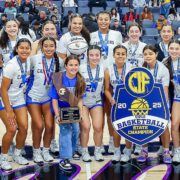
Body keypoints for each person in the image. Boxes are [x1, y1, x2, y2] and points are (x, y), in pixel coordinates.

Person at [90, 11, 123, 154]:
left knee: (110, 111)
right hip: (96, 76)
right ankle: (99, 143)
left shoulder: (117, 35)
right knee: (99, 110)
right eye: (101, 19)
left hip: (111, 75)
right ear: (97, 20)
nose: (103, 21)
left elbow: (120, 53)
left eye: (106, 19)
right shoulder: (91, 36)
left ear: (110, 20)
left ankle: (111, 139)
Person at [26, 37, 61, 163]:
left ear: (55, 47)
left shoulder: (59, 61)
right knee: (39, 125)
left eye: (51, 46)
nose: (48, 48)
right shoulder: (34, 59)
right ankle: (36, 151)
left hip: (48, 98)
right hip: (33, 97)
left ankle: (45, 151)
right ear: (41, 47)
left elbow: (59, 82)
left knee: (50, 126)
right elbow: (26, 76)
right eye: (46, 46)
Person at [49, 55, 86, 171]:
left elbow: (80, 99)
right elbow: (54, 99)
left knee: (76, 130)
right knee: (65, 131)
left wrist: (80, 112)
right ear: (65, 66)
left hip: (73, 110)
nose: (73, 67)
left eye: (76, 65)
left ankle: (72, 150)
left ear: (78, 66)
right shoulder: (59, 78)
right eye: (70, 65)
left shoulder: (80, 79)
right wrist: (57, 114)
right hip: (61, 110)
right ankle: (64, 158)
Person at [137, 45, 172, 164]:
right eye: (145, 54)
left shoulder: (163, 69)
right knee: (144, 126)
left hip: (160, 101)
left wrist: (162, 105)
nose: (148, 56)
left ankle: (166, 151)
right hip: (144, 102)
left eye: (150, 53)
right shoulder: (140, 69)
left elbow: (165, 91)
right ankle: (144, 150)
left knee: (163, 126)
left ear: (156, 54)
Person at [0, 38, 31, 170]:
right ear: (17, 49)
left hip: (19, 98)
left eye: (27, 48)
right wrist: (9, 110)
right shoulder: (11, 66)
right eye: (21, 48)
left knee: (23, 128)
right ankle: (4, 157)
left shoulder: (29, 62)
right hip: (4, 98)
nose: (24, 50)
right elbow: (3, 90)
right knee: (12, 129)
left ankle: (17, 154)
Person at [104, 45, 132, 163]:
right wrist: (111, 99)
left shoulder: (132, 68)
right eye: (118, 53)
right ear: (113, 55)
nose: (120, 56)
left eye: (123, 54)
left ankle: (128, 150)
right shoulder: (108, 70)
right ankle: (116, 151)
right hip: (116, 102)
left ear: (126, 55)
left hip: (130, 102)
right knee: (116, 128)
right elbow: (106, 89)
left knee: (128, 128)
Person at [79, 45, 104, 162]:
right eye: (91, 55)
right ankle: (84, 151)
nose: (94, 57)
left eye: (97, 55)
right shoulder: (80, 68)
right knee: (86, 127)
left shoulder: (104, 69)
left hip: (96, 101)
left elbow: (107, 88)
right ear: (87, 56)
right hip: (83, 102)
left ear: (100, 56)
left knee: (98, 127)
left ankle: (97, 151)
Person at [163, 40, 180, 163]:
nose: (174, 51)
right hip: (175, 97)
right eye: (172, 48)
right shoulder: (164, 62)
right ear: (168, 49)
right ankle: (177, 150)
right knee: (174, 124)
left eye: (177, 49)